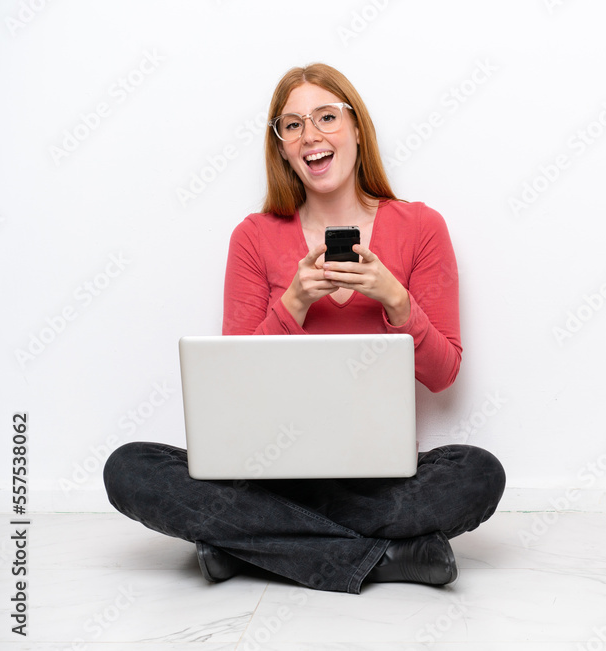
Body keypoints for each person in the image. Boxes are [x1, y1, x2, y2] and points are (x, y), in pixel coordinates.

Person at [103, 63, 505, 594]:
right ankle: (390, 556)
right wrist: (291, 304)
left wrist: (395, 299)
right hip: (268, 470)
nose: (310, 135)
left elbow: (443, 374)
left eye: (325, 117)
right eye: (292, 125)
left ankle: (244, 547)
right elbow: (233, 387)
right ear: (283, 147)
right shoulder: (253, 237)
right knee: (129, 468)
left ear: (356, 127)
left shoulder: (421, 228)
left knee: (478, 472)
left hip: (376, 475)